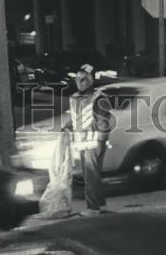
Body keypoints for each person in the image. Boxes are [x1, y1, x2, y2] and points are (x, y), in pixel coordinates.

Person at [39, 64, 112, 217]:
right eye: (78, 79)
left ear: (92, 79)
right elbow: (75, 118)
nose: (80, 82)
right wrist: (66, 127)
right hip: (83, 143)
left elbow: (104, 122)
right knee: (92, 175)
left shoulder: (98, 97)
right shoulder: (75, 98)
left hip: (93, 143)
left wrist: (101, 141)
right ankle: (101, 205)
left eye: (84, 79)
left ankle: (93, 208)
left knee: (91, 175)